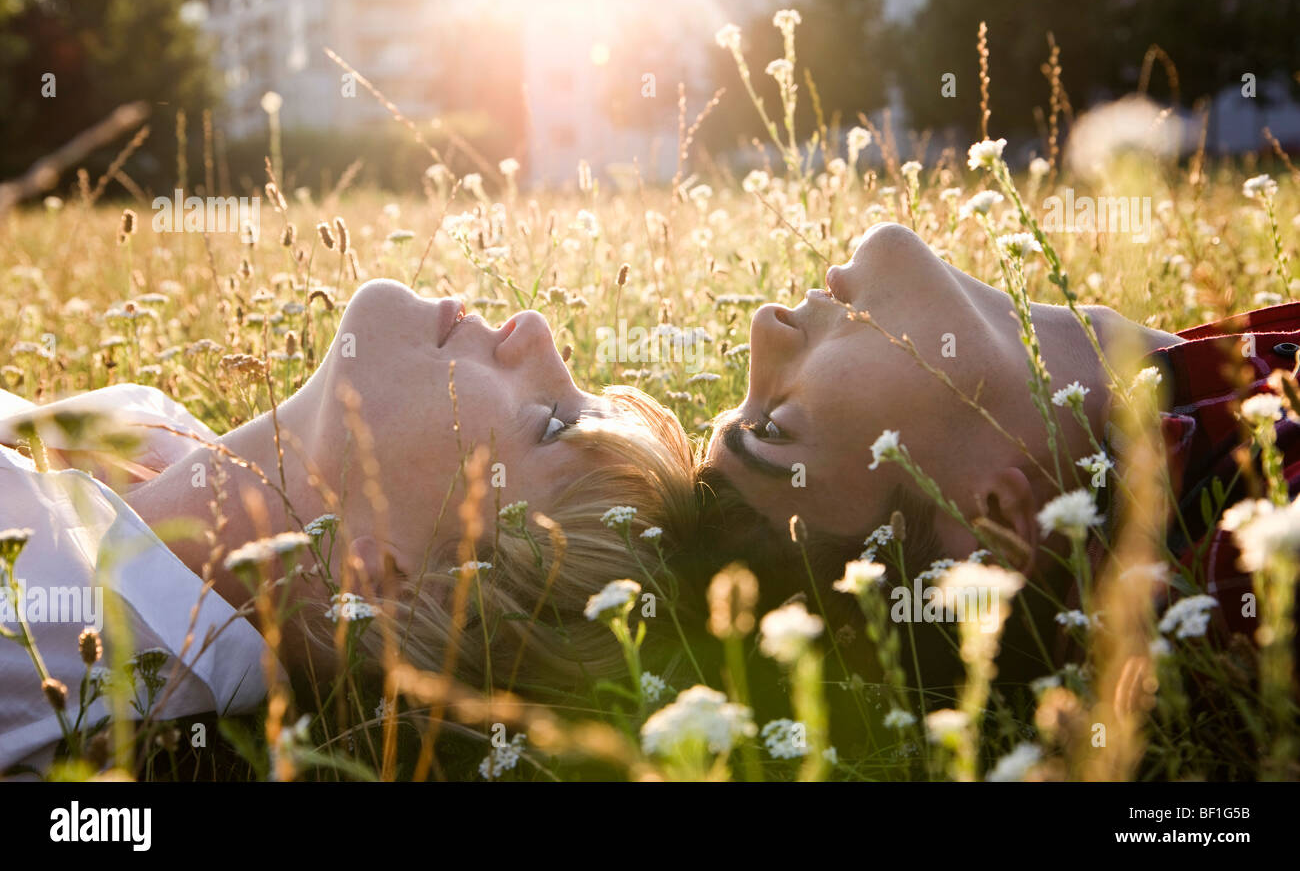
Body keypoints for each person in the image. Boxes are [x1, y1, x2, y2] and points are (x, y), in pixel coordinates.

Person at [0, 278, 696, 774]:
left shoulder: (35, 645)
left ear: (379, 588)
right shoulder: (156, 445)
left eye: (550, 424)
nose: (538, 330)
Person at [696, 221, 1295, 651]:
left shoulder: (1226, 387)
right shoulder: (1260, 567)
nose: (762, 326)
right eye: (772, 428)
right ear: (995, 529)